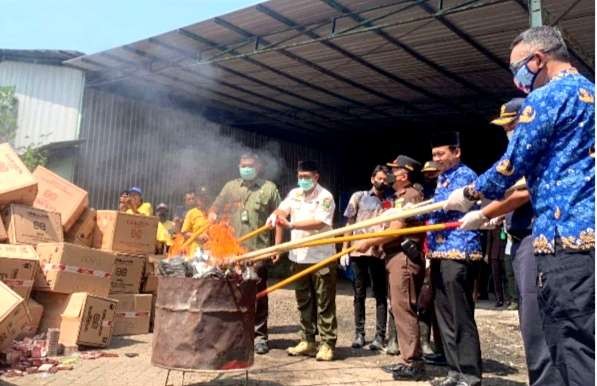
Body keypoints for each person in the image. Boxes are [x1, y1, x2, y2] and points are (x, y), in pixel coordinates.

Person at [445, 26, 594, 386]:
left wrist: (470, 194)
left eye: (517, 67)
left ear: (537, 59)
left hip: (564, 242)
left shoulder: (547, 97)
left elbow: (513, 164)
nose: (516, 76)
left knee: (570, 347)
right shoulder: (591, 94)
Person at [459, 97, 563, 386]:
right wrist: (497, 216)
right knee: (530, 320)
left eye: (512, 125)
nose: (509, 131)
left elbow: (522, 192)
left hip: (537, 239)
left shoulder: (540, 149)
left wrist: (483, 212)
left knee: (537, 320)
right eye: (505, 127)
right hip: (520, 240)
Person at [354, 155, 426, 380]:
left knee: (403, 308)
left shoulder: (410, 196)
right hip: (394, 255)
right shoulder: (398, 196)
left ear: (404, 174)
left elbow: (395, 229)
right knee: (398, 306)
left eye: (394, 170)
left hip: (403, 256)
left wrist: (369, 242)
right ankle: (408, 358)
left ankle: (413, 362)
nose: (390, 174)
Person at [209, 153, 281, 355]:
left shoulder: (269, 188)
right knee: (232, 293)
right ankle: (235, 333)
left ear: (258, 167)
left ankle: (260, 337)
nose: (246, 168)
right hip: (232, 252)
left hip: (258, 251)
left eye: (250, 166)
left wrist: (277, 246)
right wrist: (213, 212)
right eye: (243, 165)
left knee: (258, 294)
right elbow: (216, 205)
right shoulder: (230, 187)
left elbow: (280, 217)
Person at [426, 132, 483, 386]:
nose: (437, 159)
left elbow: (448, 205)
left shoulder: (465, 175)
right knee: (444, 316)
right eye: (434, 155)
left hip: (459, 252)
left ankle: (470, 375)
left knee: (461, 316)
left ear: (456, 152)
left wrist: (421, 207)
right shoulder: (442, 179)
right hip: (438, 252)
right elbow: (434, 209)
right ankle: (454, 371)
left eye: (441, 154)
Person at [268, 160, 337, 361]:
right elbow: (282, 211)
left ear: (316, 177)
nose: (303, 180)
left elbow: (319, 223)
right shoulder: (294, 193)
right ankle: (307, 340)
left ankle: (327, 344)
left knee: (324, 302)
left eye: (307, 177)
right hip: (298, 256)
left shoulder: (325, 197)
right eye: (300, 177)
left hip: (321, 257)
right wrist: (277, 218)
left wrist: (292, 225)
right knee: (303, 301)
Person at [341, 165, 391, 351]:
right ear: (372, 179)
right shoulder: (359, 197)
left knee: (380, 294)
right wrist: (345, 249)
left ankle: (379, 336)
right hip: (358, 252)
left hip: (379, 253)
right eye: (379, 178)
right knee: (358, 293)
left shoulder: (391, 201)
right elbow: (349, 223)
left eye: (386, 180)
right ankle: (359, 334)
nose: (382, 182)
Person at [181, 191, 209, 257]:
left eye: (204, 197)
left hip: (209, 251)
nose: (203, 200)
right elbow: (184, 233)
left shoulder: (210, 213)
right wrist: (198, 237)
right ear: (197, 200)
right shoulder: (191, 213)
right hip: (195, 252)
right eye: (200, 198)